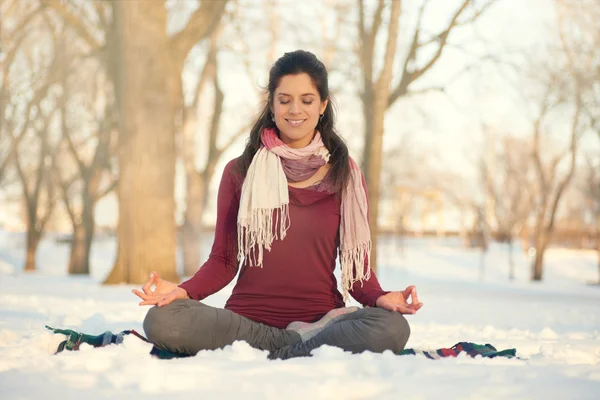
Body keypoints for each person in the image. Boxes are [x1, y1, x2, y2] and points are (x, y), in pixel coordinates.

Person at [134, 50, 423, 360]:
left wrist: (380, 298)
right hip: (246, 325)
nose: (294, 109)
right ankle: (296, 350)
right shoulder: (240, 171)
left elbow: (358, 274)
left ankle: (290, 346)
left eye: (307, 100)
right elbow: (223, 260)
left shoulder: (346, 174)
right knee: (162, 320)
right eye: (284, 100)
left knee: (393, 328)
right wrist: (183, 291)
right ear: (271, 105)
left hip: (321, 324)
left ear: (323, 105)